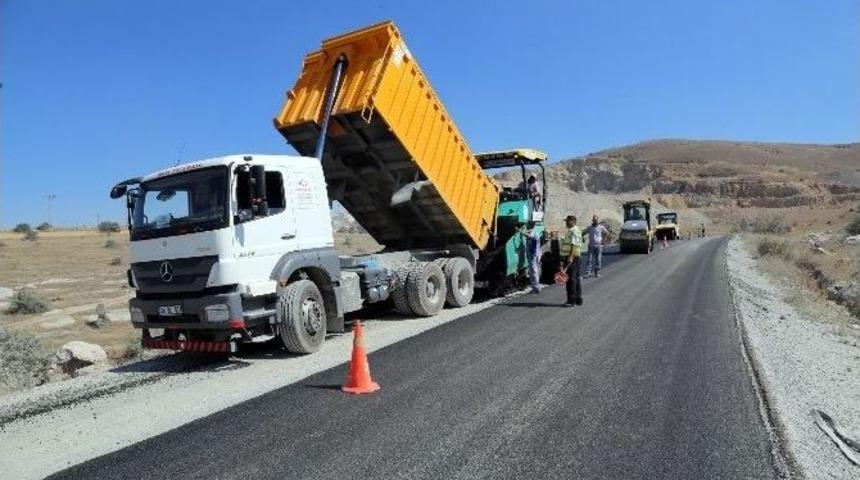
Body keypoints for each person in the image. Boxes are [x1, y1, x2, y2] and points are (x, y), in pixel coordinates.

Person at [559, 215, 584, 306]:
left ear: (572, 221)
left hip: (572, 258)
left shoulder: (574, 231)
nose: (566, 222)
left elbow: (574, 245)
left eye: (567, 221)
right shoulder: (572, 231)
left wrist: (570, 257)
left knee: (571, 280)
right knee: (575, 279)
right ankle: (578, 299)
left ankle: (571, 300)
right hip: (573, 258)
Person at [521, 222, 541, 293]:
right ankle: (534, 287)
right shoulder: (532, 231)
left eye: (527, 225)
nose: (526, 226)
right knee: (531, 270)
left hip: (533, 254)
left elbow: (529, 236)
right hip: (531, 253)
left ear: (529, 225)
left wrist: (521, 232)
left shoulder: (534, 232)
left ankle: (536, 287)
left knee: (534, 270)